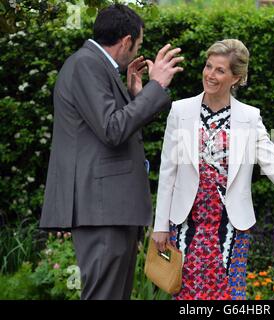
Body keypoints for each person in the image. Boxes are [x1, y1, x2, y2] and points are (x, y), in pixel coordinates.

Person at [152, 39, 274, 300]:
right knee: (185, 296)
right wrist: (160, 224)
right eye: (208, 66)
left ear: (236, 78)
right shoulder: (179, 111)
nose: (210, 75)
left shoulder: (250, 118)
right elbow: (167, 170)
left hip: (231, 227)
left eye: (220, 70)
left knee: (228, 297)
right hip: (185, 224)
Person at [39, 4, 183, 300]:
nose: (137, 51)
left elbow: (112, 126)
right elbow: (112, 129)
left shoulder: (97, 67)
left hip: (110, 209)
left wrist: (137, 95)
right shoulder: (86, 64)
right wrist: (157, 85)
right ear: (127, 41)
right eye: (138, 45)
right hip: (101, 209)